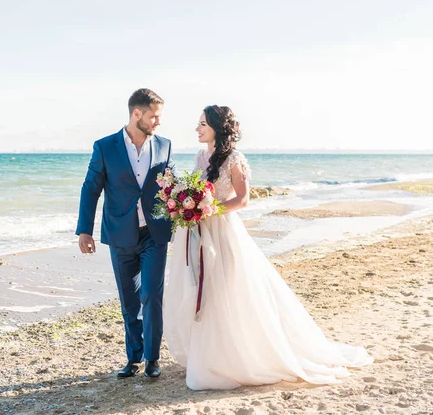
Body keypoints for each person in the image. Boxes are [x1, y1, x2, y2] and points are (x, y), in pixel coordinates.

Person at [163, 105, 373, 390]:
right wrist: (188, 204)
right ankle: (211, 354)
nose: (197, 128)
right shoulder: (201, 156)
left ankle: (242, 355)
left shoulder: (234, 158)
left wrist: (209, 210)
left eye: (202, 124)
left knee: (229, 288)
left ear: (216, 127)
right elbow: (195, 189)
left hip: (223, 229)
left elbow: (243, 199)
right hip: (201, 231)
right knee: (207, 290)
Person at [76, 88, 176, 378]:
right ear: (137, 114)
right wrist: (85, 230)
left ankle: (152, 359)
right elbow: (90, 188)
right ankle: (133, 358)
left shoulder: (165, 145)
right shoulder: (105, 147)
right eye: (154, 116)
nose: (158, 122)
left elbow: (172, 181)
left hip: (154, 234)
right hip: (120, 234)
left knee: (151, 295)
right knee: (129, 300)